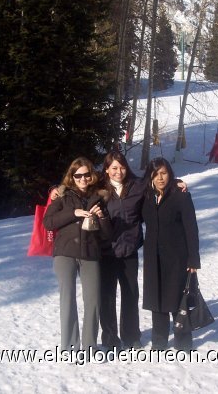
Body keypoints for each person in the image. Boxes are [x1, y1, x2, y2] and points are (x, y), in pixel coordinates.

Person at [98, 151, 188, 351]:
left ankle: (131, 336)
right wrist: (55, 189)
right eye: (114, 168)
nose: (119, 172)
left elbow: (157, 180)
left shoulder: (137, 186)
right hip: (105, 251)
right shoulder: (98, 189)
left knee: (131, 294)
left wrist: (176, 182)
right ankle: (111, 339)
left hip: (129, 249)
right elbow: (78, 187)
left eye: (122, 167)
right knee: (107, 296)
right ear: (106, 170)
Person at [43, 157, 112, 353]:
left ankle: (90, 345)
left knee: (93, 300)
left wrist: (102, 217)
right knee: (68, 299)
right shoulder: (62, 196)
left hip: (90, 253)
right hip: (65, 253)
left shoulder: (99, 197)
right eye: (78, 175)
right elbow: (48, 222)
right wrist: (74, 213)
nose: (82, 179)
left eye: (86, 174)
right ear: (71, 177)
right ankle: (70, 346)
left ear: (91, 176)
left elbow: (108, 235)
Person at [141, 157, 201, 351]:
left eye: (164, 173)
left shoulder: (180, 196)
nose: (160, 178)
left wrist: (193, 259)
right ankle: (159, 341)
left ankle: (183, 341)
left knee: (177, 299)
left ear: (170, 174)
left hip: (177, 257)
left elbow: (191, 229)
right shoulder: (146, 196)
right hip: (153, 257)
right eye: (156, 174)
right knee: (156, 300)